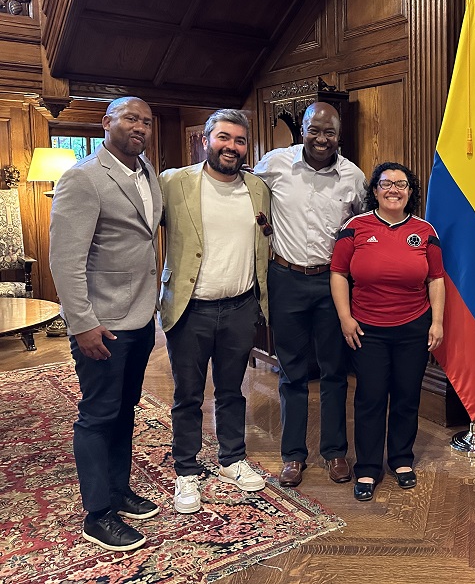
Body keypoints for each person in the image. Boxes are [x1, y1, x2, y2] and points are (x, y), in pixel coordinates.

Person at [49, 96, 163, 552]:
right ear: (106, 123)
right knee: (97, 415)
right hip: (103, 323)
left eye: (147, 121)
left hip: (139, 316)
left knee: (123, 410)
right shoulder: (82, 177)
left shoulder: (147, 171)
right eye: (131, 117)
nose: (140, 126)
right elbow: (65, 260)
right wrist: (82, 323)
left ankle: (118, 491)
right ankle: (97, 515)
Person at [159, 109, 271, 514]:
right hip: (191, 310)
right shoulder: (175, 182)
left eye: (240, 140)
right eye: (224, 137)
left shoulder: (258, 189)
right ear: (206, 140)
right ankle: (186, 471)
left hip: (241, 308)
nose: (232, 147)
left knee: (231, 391)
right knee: (187, 395)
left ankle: (231, 460)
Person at [253, 102, 365, 487]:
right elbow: (248, 195)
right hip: (285, 278)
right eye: (314, 130)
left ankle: (335, 452)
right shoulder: (275, 163)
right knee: (291, 371)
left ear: (339, 136)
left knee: (335, 370)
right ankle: (293, 455)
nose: (321, 139)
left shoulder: (353, 176)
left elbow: (361, 226)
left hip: (332, 281)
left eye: (329, 132)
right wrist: (263, 230)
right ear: (302, 129)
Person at [330, 162, 445, 501]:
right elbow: (338, 273)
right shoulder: (356, 227)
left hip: (414, 326)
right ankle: (367, 467)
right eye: (386, 184)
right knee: (370, 397)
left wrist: (437, 321)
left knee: (408, 395)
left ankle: (401, 459)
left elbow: (436, 278)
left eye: (401, 184)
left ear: (411, 192)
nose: (393, 190)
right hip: (367, 329)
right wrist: (344, 318)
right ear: (375, 190)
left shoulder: (425, 231)